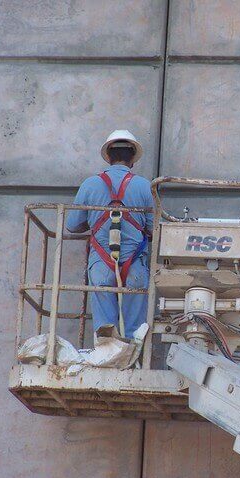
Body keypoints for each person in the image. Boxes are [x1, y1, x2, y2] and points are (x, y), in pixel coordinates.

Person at [66, 130, 153, 339]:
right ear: (132, 159)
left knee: (105, 330)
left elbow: (72, 225)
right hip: (134, 267)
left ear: (108, 157)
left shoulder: (90, 184)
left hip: (101, 265)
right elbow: (153, 228)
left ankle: (107, 355)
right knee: (134, 333)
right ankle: (134, 361)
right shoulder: (144, 186)